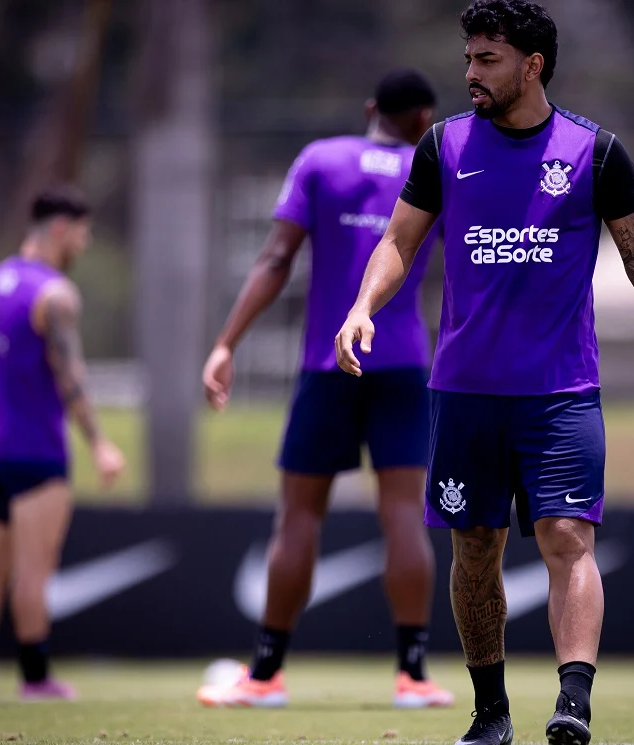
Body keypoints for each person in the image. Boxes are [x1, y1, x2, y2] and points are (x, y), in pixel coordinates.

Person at [334, 2, 634, 744]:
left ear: (532, 64)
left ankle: (572, 701)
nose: (470, 72)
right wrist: (362, 305)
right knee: (474, 550)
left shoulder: (596, 152)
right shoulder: (443, 146)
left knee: (567, 537)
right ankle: (490, 712)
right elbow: (397, 244)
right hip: (465, 392)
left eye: (487, 59)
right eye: (469, 58)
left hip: (560, 393)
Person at [198, 69, 454, 709]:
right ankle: (414, 676)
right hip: (401, 363)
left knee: (299, 518)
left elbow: (275, 259)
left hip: (325, 362)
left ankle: (263, 676)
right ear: (425, 118)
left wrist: (227, 343)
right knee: (403, 515)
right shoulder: (439, 164)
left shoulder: (320, 160)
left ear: (370, 108)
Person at [0, 185, 126, 700]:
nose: (86, 240)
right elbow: (69, 377)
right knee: (34, 570)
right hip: (37, 451)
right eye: (82, 231)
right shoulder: (55, 295)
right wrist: (99, 442)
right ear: (59, 229)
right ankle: (35, 679)